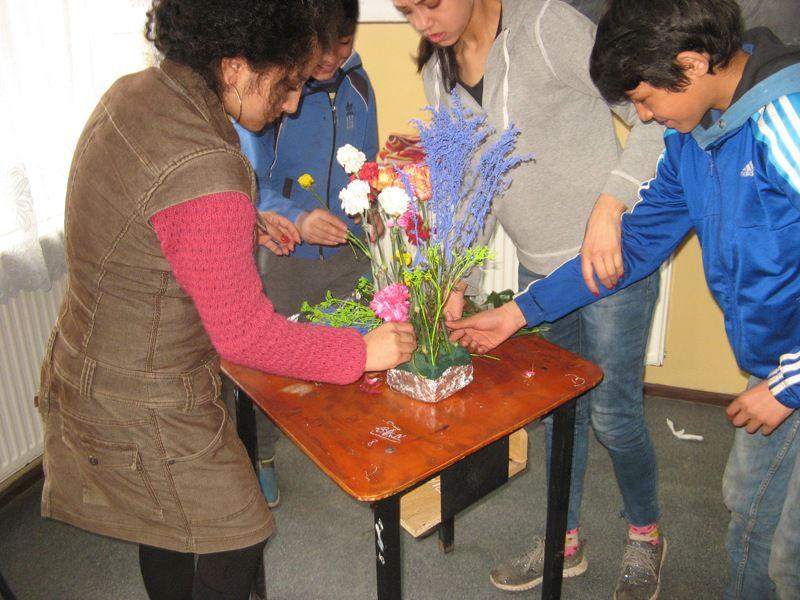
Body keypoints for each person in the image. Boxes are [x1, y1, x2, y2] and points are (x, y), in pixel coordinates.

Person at [36, 1, 415, 598]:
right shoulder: (208, 167)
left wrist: (244, 224)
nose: (293, 102)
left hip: (91, 360)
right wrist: (360, 351)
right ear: (235, 67)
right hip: (143, 397)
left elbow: (151, 216)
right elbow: (245, 335)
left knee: (163, 524)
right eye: (286, 82)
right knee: (236, 532)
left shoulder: (136, 93)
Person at [448, 0, 800, 598]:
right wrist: (517, 312)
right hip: (776, 368)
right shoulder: (696, 139)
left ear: (691, 64)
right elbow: (628, 250)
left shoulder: (785, 119)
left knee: (784, 553)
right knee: (748, 510)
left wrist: (788, 383)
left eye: (644, 99)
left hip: (788, 373)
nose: (643, 116)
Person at [394, 0, 666, 596]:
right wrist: (457, 277)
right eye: (406, 11)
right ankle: (563, 540)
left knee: (615, 416)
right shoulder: (439, 71)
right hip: (540, 276)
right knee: (558, 414)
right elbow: (475, 186)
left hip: (610, 264)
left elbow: (654, 113)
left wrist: (612, 204)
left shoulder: (546, 25)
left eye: (429, 4)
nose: (422, 23)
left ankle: (645, 534)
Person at [232, 0, 378, 508]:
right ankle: (262, 456)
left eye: (344, 42)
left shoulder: (360, 85)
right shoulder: (272, 92)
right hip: (287, 257)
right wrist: (299, 219)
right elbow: (250, 183)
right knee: (270, 364)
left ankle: (346, 440)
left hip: (349, 253)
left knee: (356, 343)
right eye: (323, 45)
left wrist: (374, 207)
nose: (332, 57)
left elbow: (368, 165)